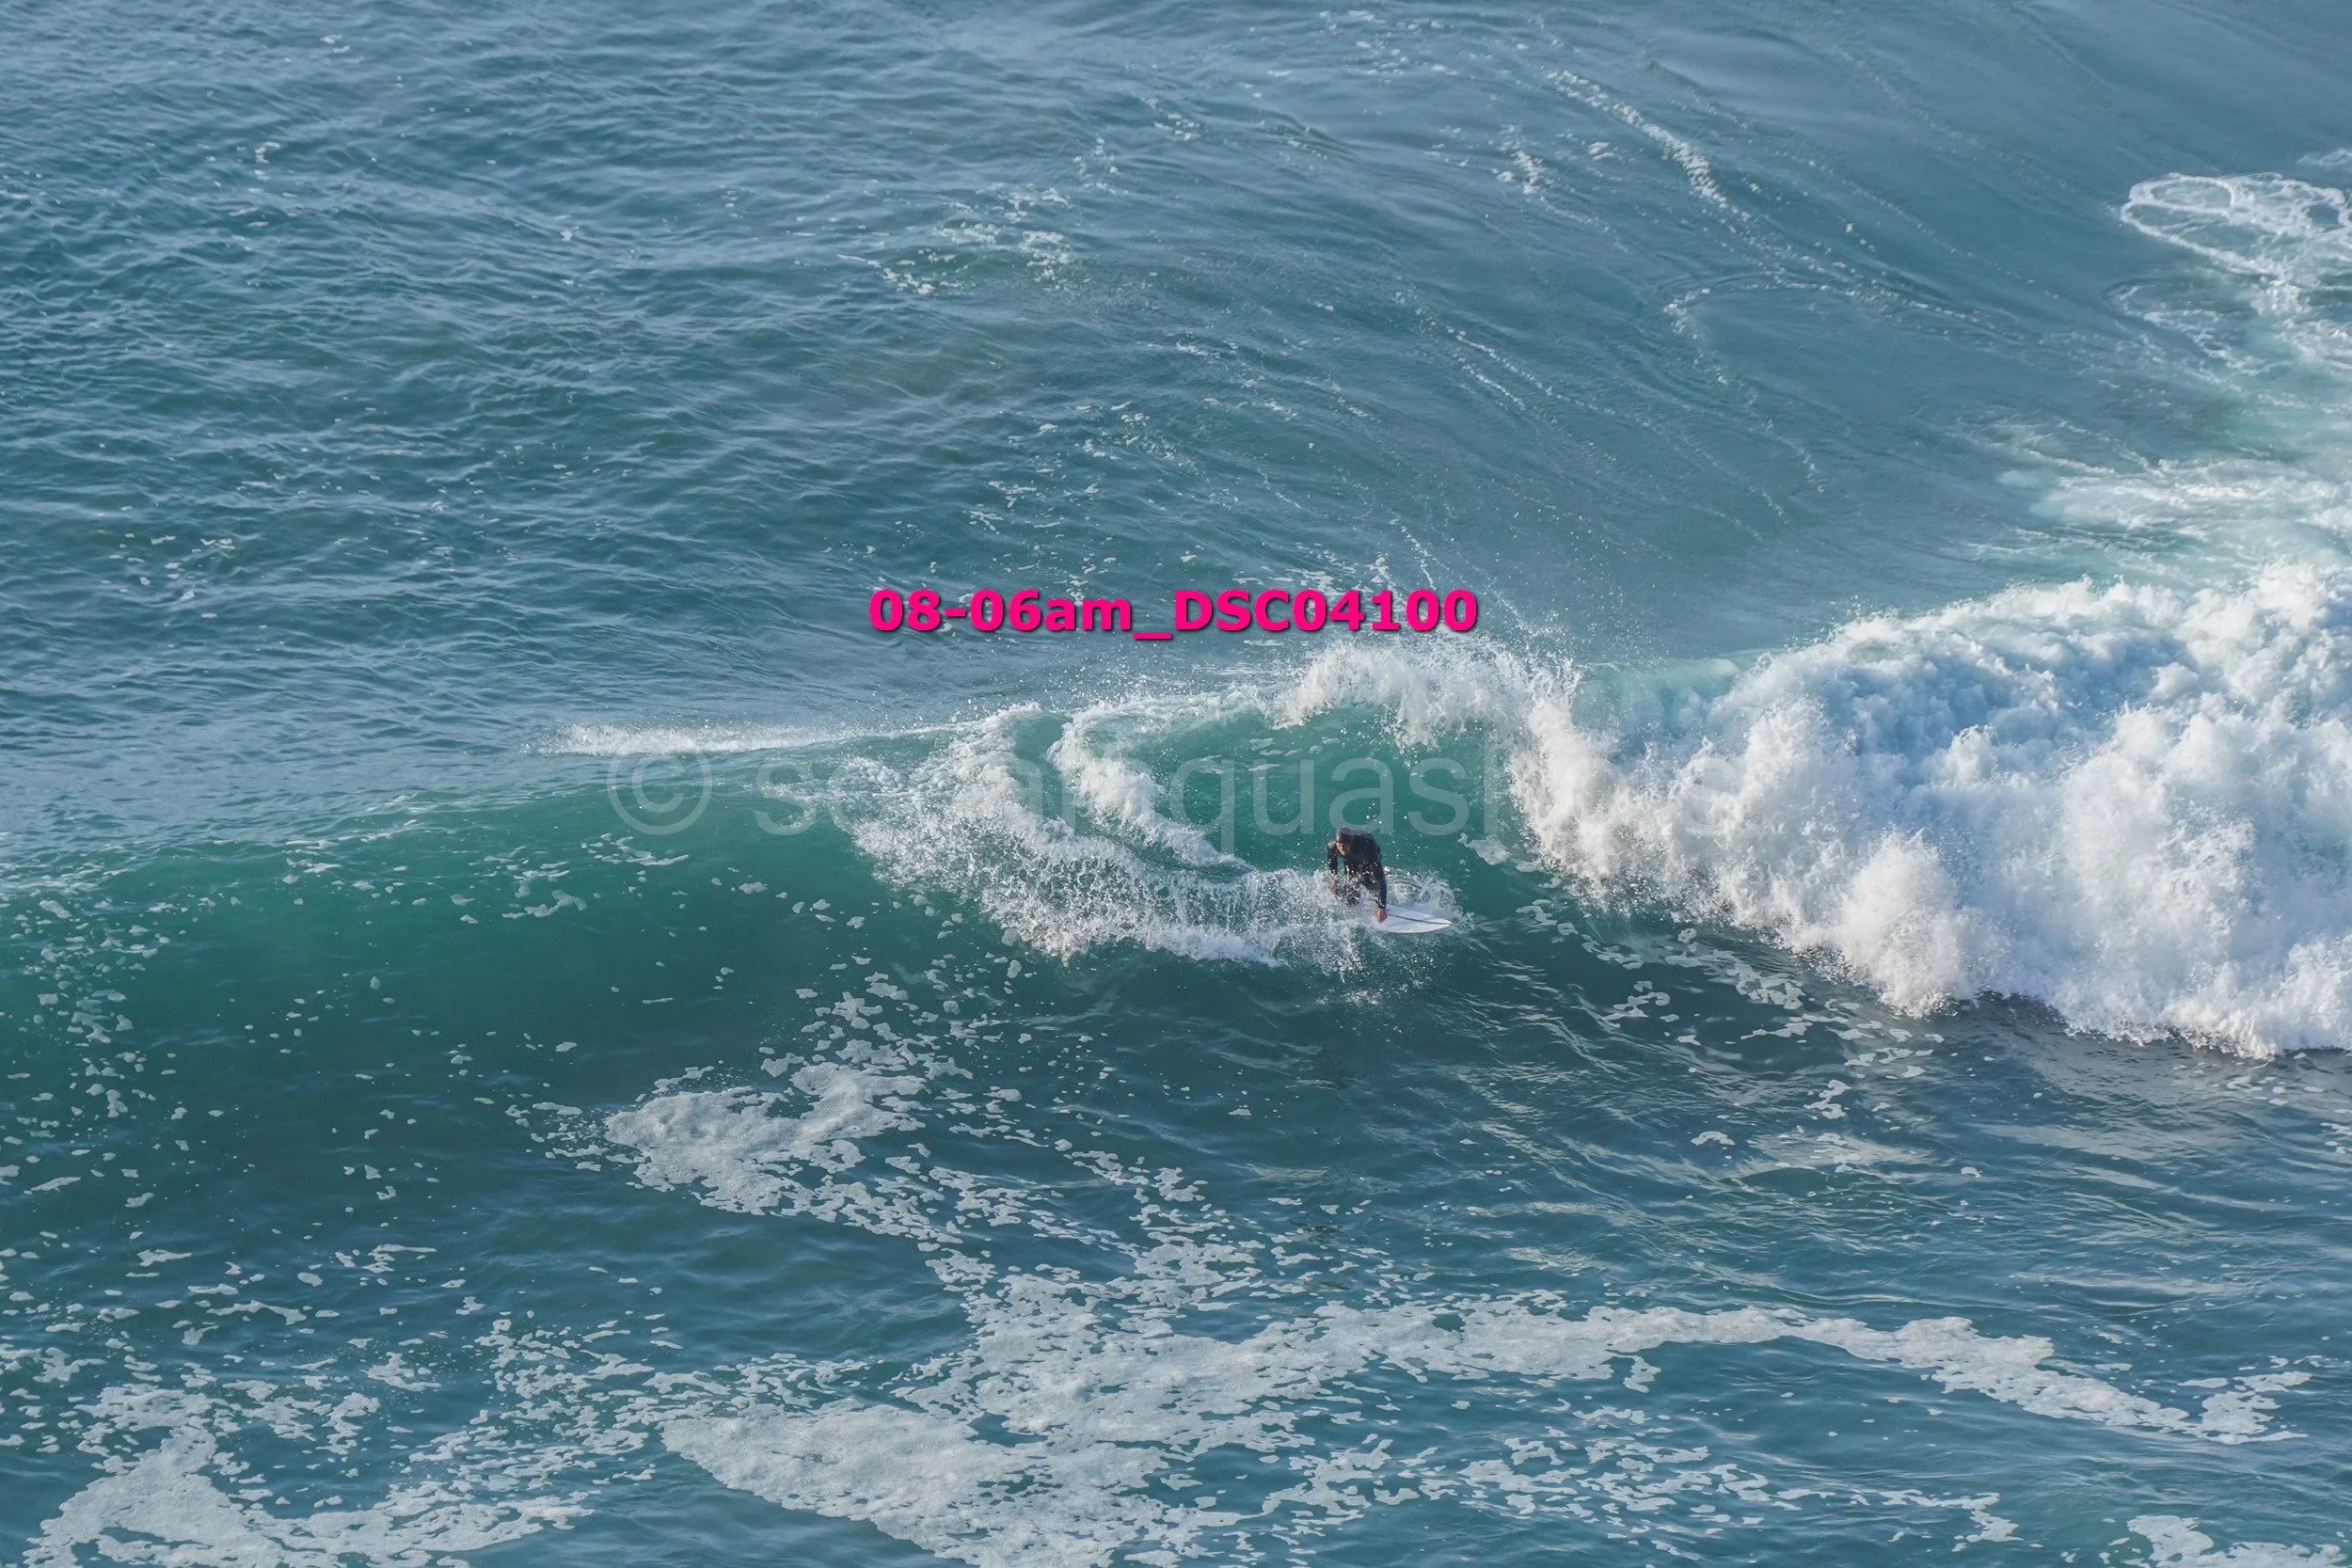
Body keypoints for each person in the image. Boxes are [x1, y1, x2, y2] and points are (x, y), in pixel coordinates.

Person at [1327, 826, 1388, 922]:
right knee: (1351, 901)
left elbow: (1380, 878)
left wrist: (1382, 906)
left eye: (1344, 846)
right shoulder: (1333, 847)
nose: (1341, 849)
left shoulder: (1368, 849)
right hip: (1350, 858)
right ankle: (1338, 890)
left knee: (1365, 879)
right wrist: (1334, 879)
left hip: (1368, 855)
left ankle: (1378, 904)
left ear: (1350, 843)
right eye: (1339, 845)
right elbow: (1332, 862)